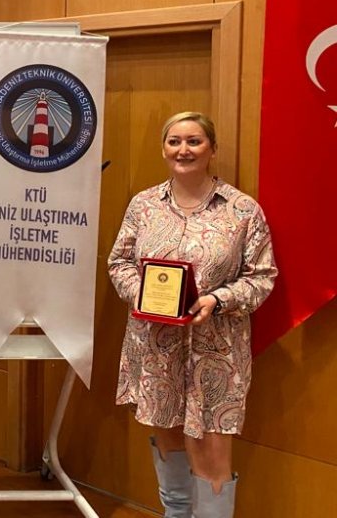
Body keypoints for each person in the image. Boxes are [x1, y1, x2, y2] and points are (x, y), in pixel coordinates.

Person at [108, 111, 277, 518]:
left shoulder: (242, 210)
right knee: (168, 441)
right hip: (156, 348)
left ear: (212, 149)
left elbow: (262, 276)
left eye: (194, 141)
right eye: (175, 141)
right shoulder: (143, 205)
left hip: (216, 353)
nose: (183, 150)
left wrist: (218, 300)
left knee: (212, 453)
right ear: (164, 149)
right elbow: (119, 263)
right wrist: (142, 295)